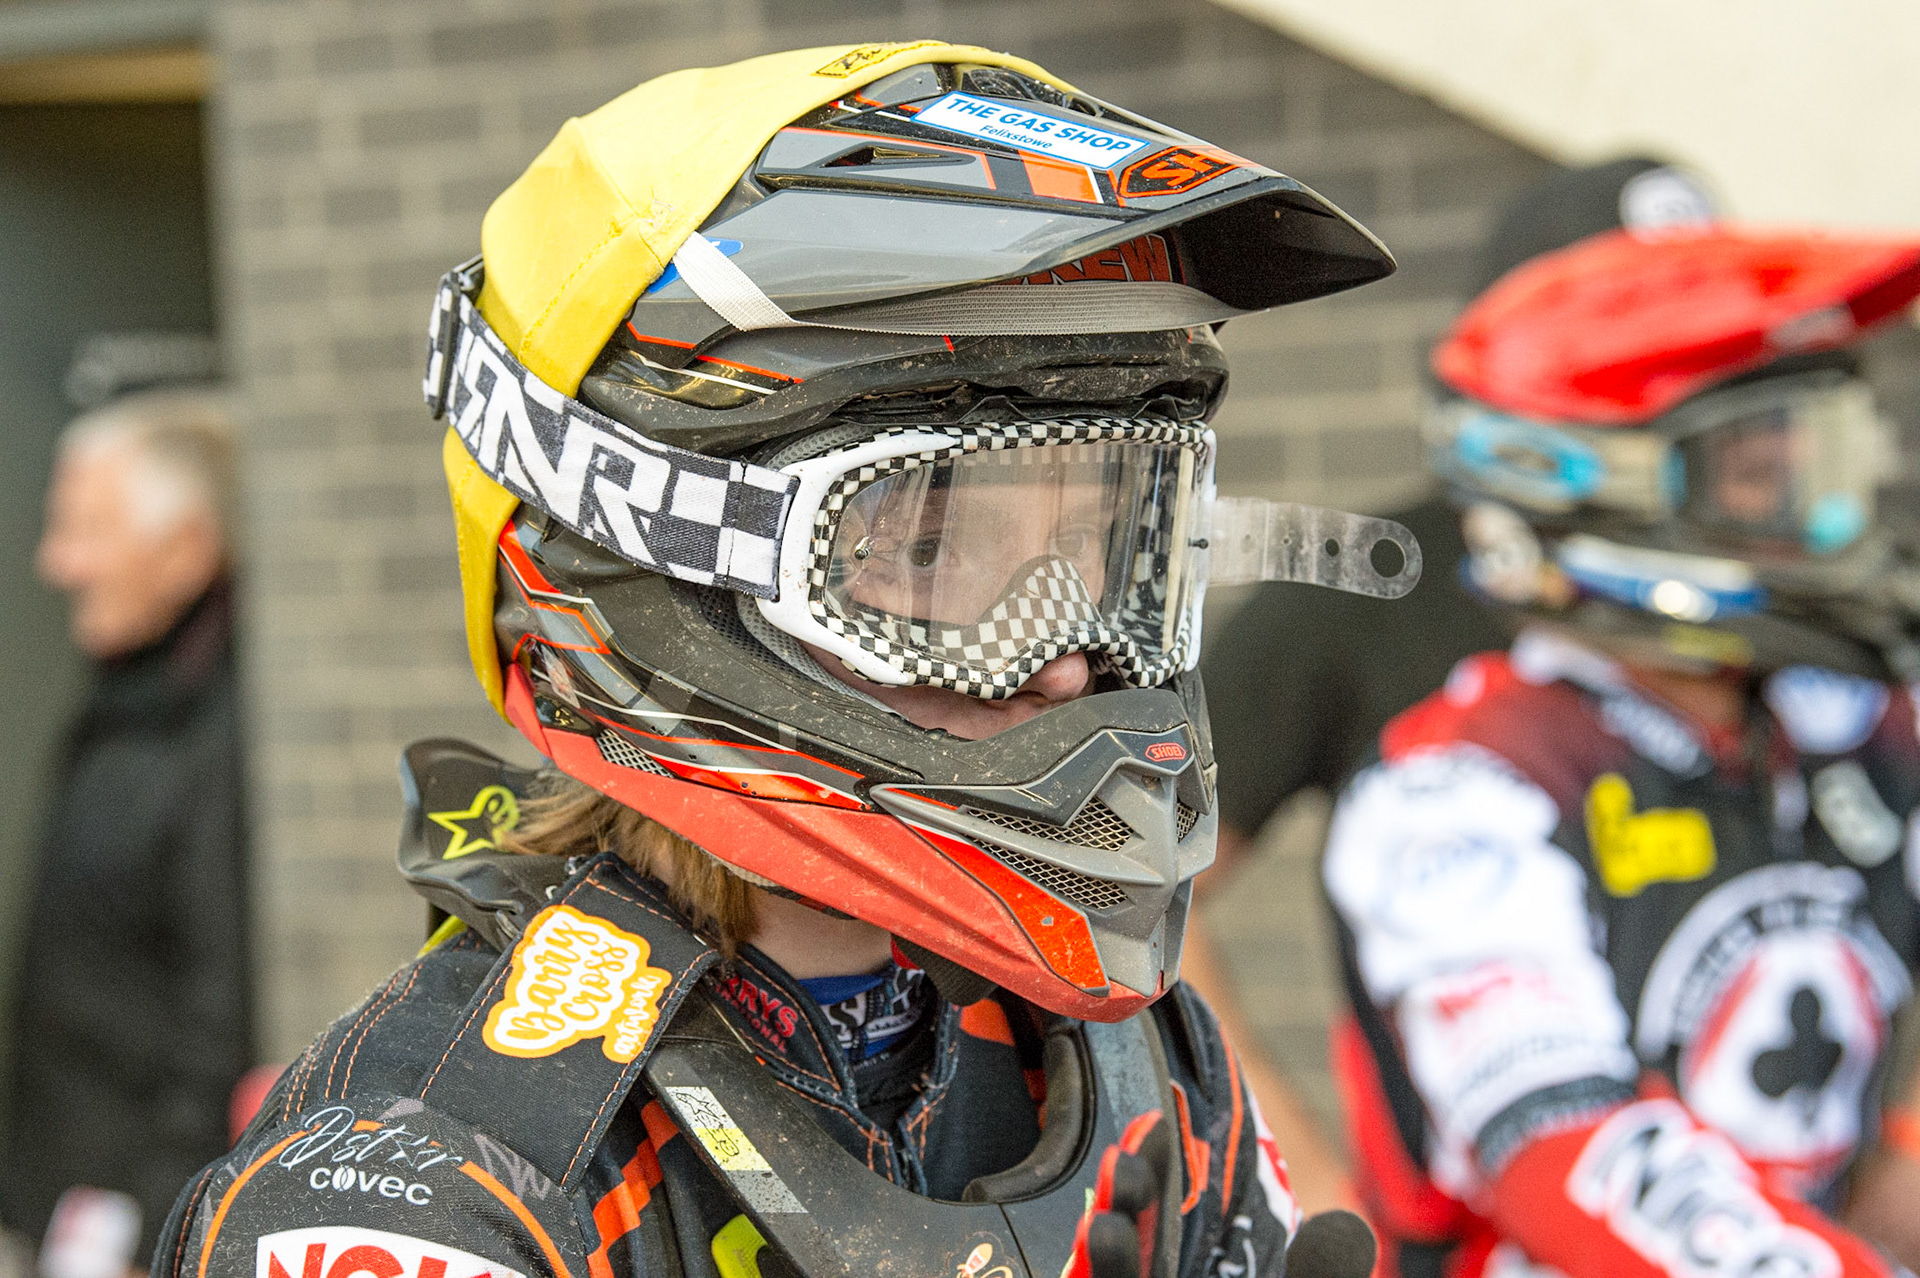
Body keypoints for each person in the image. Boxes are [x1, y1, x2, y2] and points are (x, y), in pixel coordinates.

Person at [152, 42, 1417, 1278]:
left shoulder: (1116, 1070)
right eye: (931, 545)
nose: (1068, 664)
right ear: (652, 543)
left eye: (1098, 546)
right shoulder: (427, 1181)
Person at [1321, 219, 1920, 1278]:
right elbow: (1569, 1157)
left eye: (1817, 457)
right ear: (1602, 490)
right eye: (1756, 474)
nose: (1823, 518)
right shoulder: (1461, 786)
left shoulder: (1853, 721)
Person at [1185, 158, 1719, 1212]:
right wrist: (1309, 1196)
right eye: (1619, 338)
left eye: (1699, 338)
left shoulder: (1782, 605)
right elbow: (1141, 901)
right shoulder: (1373, 584)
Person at [1, 390, 252, 1271]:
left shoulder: (227, 730)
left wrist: (149, 1227)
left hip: (138, 1226)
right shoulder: (125, 699)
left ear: (185, 547)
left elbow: (219, 1009)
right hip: (63, 1202)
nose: (55, 563)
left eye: (85, 530)